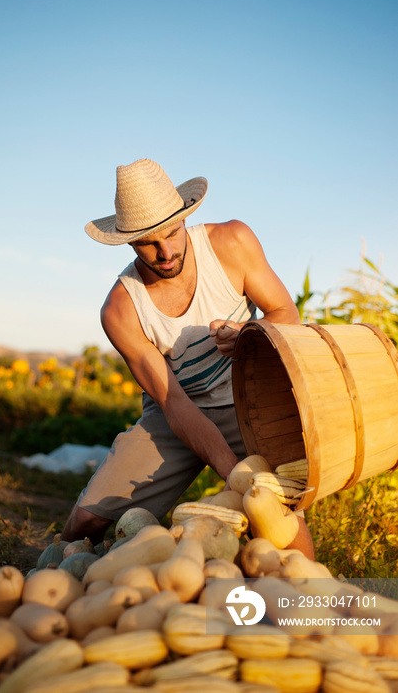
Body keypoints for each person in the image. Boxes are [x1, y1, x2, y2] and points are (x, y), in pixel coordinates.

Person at [61, 158, 314, 558]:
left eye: (172, 233)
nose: (165, 252)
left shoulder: (232, 244)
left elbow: (288, 314)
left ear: (185, 217)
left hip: (245, 399)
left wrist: (251, 337)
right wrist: (233, 474)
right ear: (127, 241)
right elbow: (174, 404)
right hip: (176, 411)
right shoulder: (121, 310)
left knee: (284, 533)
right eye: (147, 242)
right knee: (85, 524)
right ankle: (57, 574)